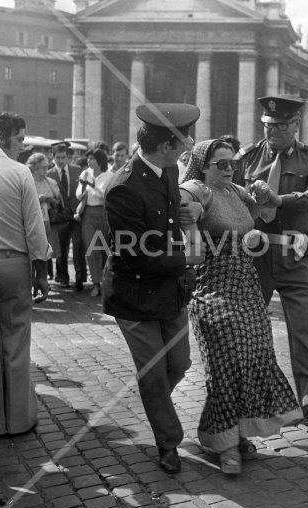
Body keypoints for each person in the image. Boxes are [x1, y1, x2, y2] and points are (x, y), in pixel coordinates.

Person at [180, 139, 301, 474]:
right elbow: (181, 195)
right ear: (203, 165)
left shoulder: (234, 190)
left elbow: (267, 213)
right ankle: (224, 443)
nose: (229, 167)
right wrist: (188, 211)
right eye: (220, 163)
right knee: (227, 360)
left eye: (231, 162)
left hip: (246, 282)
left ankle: (236, 434)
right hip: (212, 284)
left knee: (255, 353)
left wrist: (263, 195)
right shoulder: (199, 189)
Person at [103, 103, 205, 475]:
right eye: (182, 141)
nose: (188, 146)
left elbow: (173, 211)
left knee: (179, 363)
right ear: (164, 146)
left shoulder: (169, 168)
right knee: (153, 371)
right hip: (135, 295)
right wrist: (187, 261)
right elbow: (134, 257)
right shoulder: (123, 187)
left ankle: (155, 398)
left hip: (170, 290)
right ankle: (168, 441)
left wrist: (189, 212)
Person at [233, 94, 308, 422]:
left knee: (303, 330)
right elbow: (228, 195)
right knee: (245, 328)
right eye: (267, 125)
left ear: (295, 125)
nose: (272, 131)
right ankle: (242, 397)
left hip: (295, 255)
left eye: (279, 126)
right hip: (255, 257)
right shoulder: (246, 156)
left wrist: (281, 199)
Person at [0, 111, 51, 437]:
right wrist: (41, 270)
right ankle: (19, 420)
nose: (23, 145)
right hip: (14, 265)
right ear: (1, 137)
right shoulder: (20, 172)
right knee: (16, 342)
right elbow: (34, 228)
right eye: (20, 138)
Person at [47, 142, 86, 290]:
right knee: (62, 248)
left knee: (78, 245)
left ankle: (80, 277)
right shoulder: (49, 174)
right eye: (58, 157)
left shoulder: (77, 171)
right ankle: (63, 277)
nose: (61, 160)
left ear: (68, 157)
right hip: (60, 216)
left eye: (64, 157)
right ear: (53, 157)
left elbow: (83, 190)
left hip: (76, 215)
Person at [76, 148, 113, 297]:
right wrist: (84, 189)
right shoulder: (85, 174)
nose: (89, 161)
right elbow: (78, 194)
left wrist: (92, 186)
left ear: (99, 160)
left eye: (92, 159)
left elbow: (105, 195)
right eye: (88, 159)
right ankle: (96, 283)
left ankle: (105, 283)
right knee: (92, 249)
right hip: (88, 214)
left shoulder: (109, 175)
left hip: (104, 213)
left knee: (105, 248)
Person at [27, 153, 63, 267]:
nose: (46, 170)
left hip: (49, 222)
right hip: (32, 223)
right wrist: (37, 200)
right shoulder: (27, 182)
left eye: (47, 167)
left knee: (48, 252)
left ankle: (45, 278)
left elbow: (59, 203)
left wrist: (51, 200)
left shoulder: (50, 182)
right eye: (43, 167)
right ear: (35, 168)